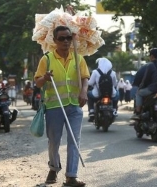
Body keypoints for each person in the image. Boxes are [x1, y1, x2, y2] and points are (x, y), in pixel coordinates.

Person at [34, 25, 89, 187]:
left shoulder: (78, 57)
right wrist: (45, 78)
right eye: (62, 38)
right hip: (54, 106)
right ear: (55, 41)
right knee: (54, 141)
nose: (66, 41)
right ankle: (54, 167)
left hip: (74, 106)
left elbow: (85, 77)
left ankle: (71, 176)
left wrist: (84, 91)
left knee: (74, 140)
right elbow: (37, 82)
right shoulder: (47, 59)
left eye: (68, 38)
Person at [131, 48, 157, 120]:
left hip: (154, 88)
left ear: (152, 56)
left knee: (139, 93)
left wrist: (141, 87)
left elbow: (146, 78)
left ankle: (138, 113)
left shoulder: (151, 65)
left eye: (150, 56)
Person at [87, 57, 119, 122]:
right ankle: (114, 109)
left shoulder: (95, 72)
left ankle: (91, 111)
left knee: (88, 94)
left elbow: (90, 83)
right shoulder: (112, 73)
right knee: (117, 94)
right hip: (111, 94)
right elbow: (115, 84)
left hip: (97, 94)